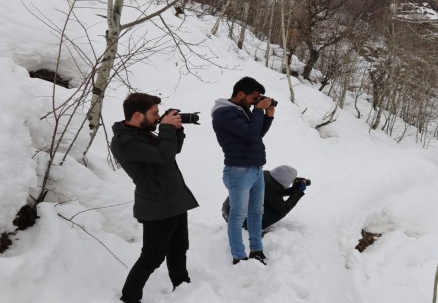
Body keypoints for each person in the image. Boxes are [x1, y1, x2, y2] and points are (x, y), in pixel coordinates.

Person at [110, 93, 199, 303]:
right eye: (155, 113)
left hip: (175, 199)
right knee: (152, 257)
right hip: (156, 205)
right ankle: (129, 298)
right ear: (138, 115)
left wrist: (176, 130)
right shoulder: (124, 141)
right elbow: (163, 156)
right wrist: (166, 129)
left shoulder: (141, 132)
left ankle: (182, 286)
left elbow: (172, 150)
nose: (158, 117)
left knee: (179, 248)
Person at [211, 77, 275, 265]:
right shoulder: (223, 113)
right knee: (238, 215)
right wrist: (258, 110)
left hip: (255, 168)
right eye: (253, 98)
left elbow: (256, 135)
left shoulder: (243, 111)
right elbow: (250, 133)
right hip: (238, 171)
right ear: (241, 94)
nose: (255, 102)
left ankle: (257, 250)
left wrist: (268, 116)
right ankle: (239, 256)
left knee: (257, 212)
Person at [221, 165, 308, 230]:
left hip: (227, 209)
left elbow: (274, 194)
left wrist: (294, 189)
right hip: (237, 222)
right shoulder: (272, 190)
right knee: (278, 211)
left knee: (272, 204)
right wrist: (298, 191)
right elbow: (284, 208)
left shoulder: (265, 175)